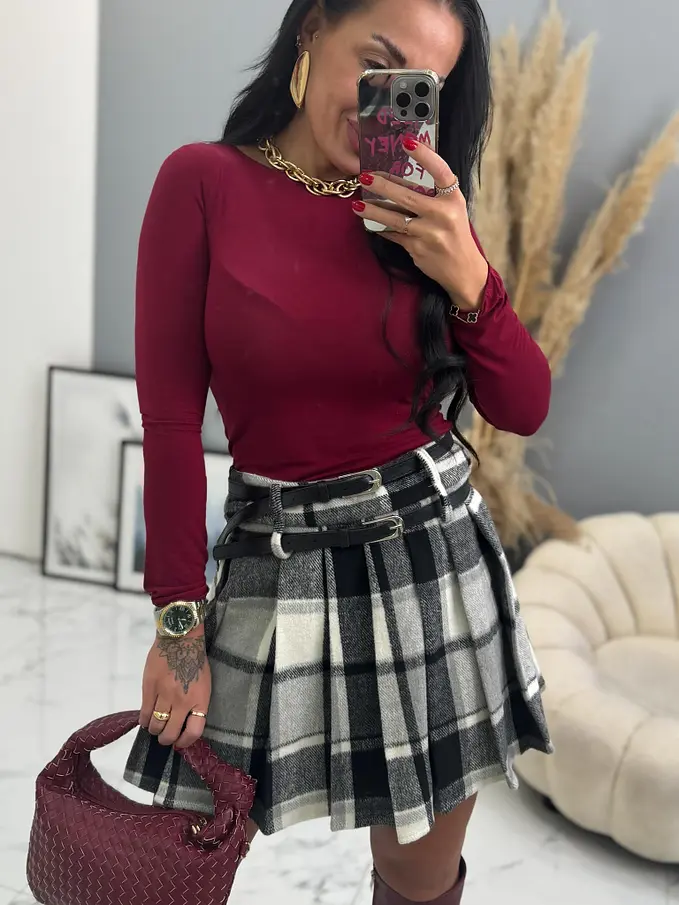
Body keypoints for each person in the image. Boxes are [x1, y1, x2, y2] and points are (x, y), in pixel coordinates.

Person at [123, 0, 553, 901]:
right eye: (375, 61)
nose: (382, 101)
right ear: (313, 27)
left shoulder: (423, 213)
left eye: (417, 85)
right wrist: (177, 623)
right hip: (270, 550)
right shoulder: (202, 183)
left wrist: (467, 272)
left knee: (415, 873)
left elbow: (521, 407)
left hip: (428, 558)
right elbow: (168, 423)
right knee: (177, 857)